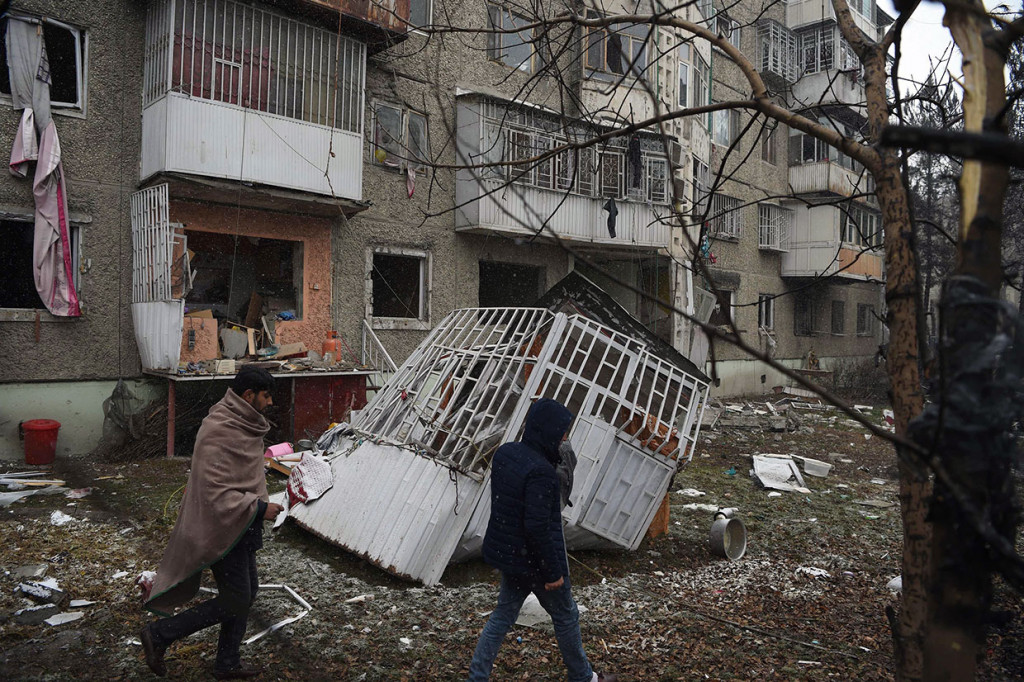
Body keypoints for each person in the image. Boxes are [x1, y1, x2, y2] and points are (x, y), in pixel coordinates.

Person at [140, 367, 284, 680]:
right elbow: (215, 491)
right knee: (235, 599)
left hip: (241, 526)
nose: (270, 402)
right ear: (249, 396)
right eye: (266, 395)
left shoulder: (244, 424)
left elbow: (243, 475)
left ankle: (227, 663)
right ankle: (160, 634)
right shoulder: (221, 428)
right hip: (221, 527)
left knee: (247, 592)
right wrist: (259, 508)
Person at [468, 398, 617, 682]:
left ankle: (477, 677)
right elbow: (537, 527)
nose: (565, 438)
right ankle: (584, 678)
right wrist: (552, 573)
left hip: (512, 556)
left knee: (502, 616)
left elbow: (510, 508)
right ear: (547, 431)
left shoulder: (506, 454)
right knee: (566, 616)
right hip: (536, 560)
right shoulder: (542, 474)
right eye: (562, 432)